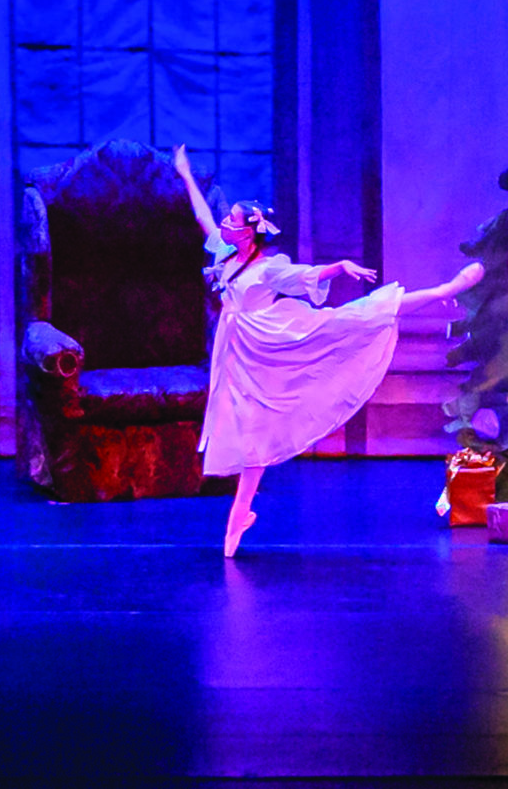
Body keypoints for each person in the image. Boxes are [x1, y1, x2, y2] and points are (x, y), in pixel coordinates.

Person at [173, 144, 483, 556]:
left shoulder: (268, 268)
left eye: (233, 221)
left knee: (357, 317)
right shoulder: (226, 252)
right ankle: (240, 514)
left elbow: (307, 274)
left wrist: (340, 267)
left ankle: (444, 290)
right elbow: (203, 217)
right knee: (248, 425)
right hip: (240, 348)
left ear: (250, 232)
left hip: (276, 338)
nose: (226, 225)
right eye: (227, 220)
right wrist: (185, 174)